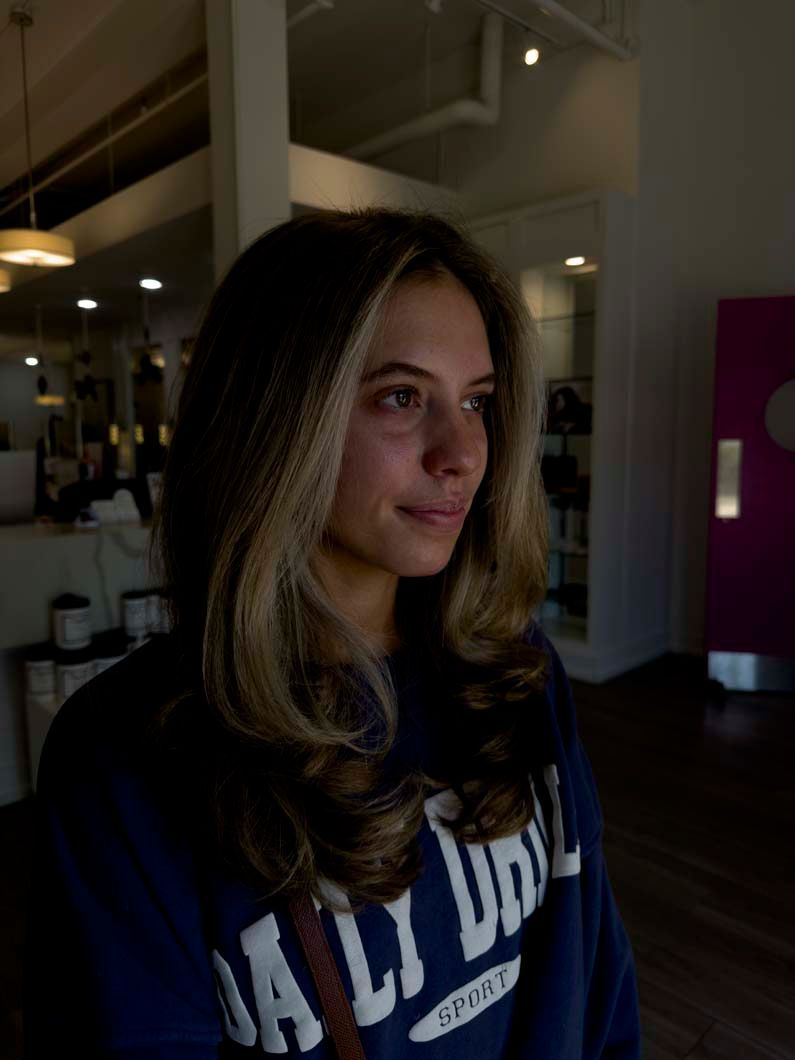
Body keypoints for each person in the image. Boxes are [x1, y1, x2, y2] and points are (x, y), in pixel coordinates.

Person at [23, 207, 641, 1058]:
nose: (463, 452)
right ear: (274, 420)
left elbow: (599, 981)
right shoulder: (127, 758)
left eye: (476, 402)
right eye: (400, 397)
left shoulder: (515, 667)